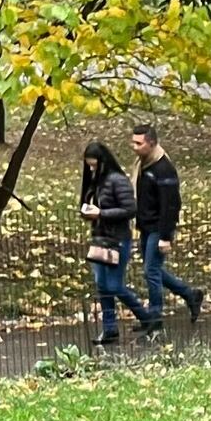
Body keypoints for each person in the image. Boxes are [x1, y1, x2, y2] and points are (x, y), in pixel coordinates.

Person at [79, 141, 158, 345]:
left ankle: (147, 316)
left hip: (117, 239)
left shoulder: (117, 180)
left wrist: (101, 213)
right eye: (89, 165)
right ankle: (110, 328)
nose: (91, 169)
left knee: (114, 285)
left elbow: (130, 209)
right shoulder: (95, 181)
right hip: (100, 238)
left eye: (94, 165)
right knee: (102, 285)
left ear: (103, 162)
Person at [127, 122, 205, 326]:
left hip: (158, 228)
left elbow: (171, 205)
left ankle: (155, 317)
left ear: (151, 143)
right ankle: (190, 294)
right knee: (153, 269)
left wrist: (165, 236)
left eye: (138, 143)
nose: (134, 147)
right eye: (133, 142)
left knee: (151, 271)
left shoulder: (163, 168)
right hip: (145, 226)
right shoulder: (143, 165)